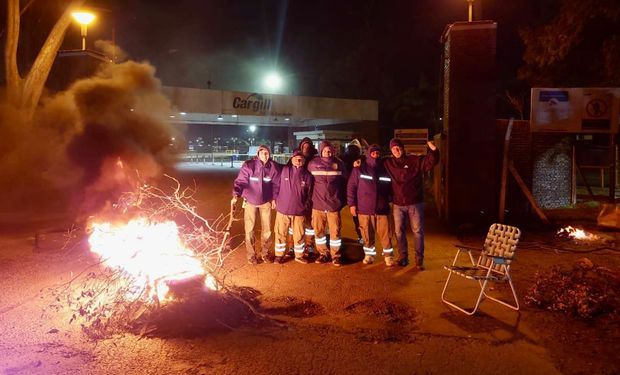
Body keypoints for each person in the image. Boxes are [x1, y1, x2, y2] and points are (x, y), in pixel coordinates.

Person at [383, 138, 439, 270]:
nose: (396, 150)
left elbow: (431, 162)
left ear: (403, 148)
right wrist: (359, 163)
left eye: (398, 148)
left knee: (418, 232)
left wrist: (434, 150)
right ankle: (403, 258)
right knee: (399, 232)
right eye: (393, 148)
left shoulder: (415, 160)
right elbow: (372, 161)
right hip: (398, 204)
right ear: (391, 150)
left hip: (415, 202)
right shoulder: (388, 163)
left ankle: (419, 260)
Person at [232, 144, 281, 264]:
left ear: (270, 154)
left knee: (267, 230)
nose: (264, 155)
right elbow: (240, 181)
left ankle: (265, 253)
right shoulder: (249, 165)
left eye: (267, 153)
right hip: (250, 202)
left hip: (266, 202)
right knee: (250, 230)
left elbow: (276, 185)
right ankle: (251, 255)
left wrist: (274, 198)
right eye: (262, 153)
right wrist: (236, 194)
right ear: (258, 154)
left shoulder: (273, 167)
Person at [347, 144, 395, 266]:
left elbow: (391, 188)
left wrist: (389, 201)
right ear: (369, 154)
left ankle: (389, 256)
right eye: (373, 153)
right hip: (364, 209)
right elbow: (351, 187)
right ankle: (369, 255)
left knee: (386, 235)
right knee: (366, 234)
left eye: (378, 153)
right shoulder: (359, 169)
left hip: (382, 209)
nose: (375, 155)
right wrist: (352, 204)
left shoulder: (385, 170)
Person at [307, 140, 347, 267]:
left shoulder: (339, 164)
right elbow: (308, 182)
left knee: (335, 231)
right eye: (325, 150)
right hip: (317, 204)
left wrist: (341, 200)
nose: (328, 152)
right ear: (320, 151)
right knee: (319, 232)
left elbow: (345, 183)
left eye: (329, 150)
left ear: (333, 151)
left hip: (333, 204)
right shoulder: (313, 164)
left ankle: (336, 255)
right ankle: (323, 253)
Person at [273, 150, 313, 264]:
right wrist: (275, 199)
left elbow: (309, 194)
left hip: (299, 211)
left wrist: (305, 206)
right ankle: (279, 255)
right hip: (283, 209)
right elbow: (276, 185)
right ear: (291, 159)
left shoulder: (308, 176)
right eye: (296, 158)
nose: (298, 160)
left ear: (304, 161)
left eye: (301, 159)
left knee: (299, 234)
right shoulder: (284, 170)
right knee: (280, 233)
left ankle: (299, 255)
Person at [298, 137, 319, 258]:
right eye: (304, 146)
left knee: (310, 223)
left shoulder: (316, 160)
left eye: (308, 146)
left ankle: (310, 244)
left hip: (313, 196)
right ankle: (295, 245)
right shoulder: (296, 159)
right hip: (298, 196)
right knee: (296, 224)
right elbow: (283, 169)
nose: (306, 148)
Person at [342, 139, 364, 244]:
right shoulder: (360, 160)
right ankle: (361, 236)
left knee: (333, 214)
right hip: (355, 191)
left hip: (343, 190)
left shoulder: (343, 159)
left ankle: (333, 235)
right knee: (357, 217)